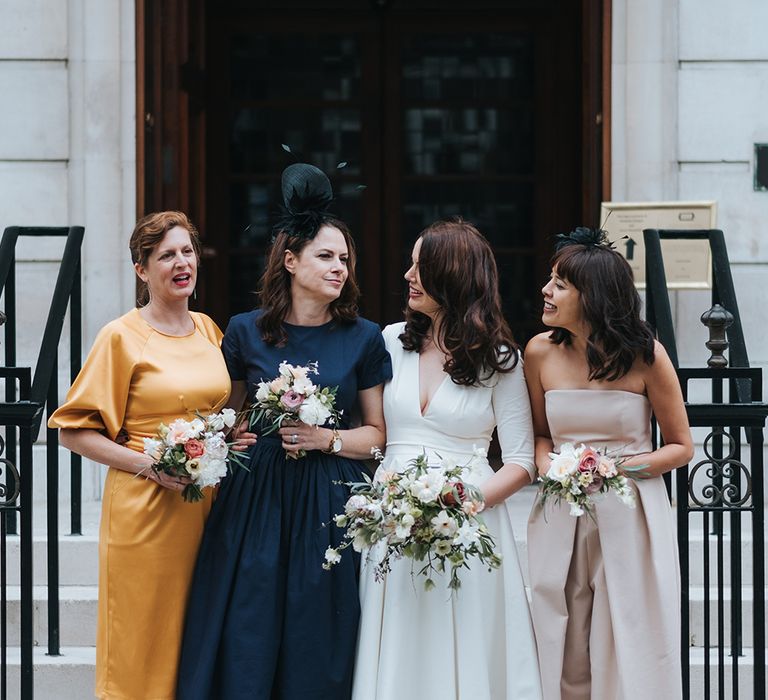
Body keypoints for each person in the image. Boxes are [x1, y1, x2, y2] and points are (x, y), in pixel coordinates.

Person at [176, 163, 392, 699]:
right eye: (326, 256)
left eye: (345, 258)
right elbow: (229, 418)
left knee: (318, 630)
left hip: (330, 497)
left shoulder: (363, 338)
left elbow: (378, 435)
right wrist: (233, 435)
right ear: (290, 262)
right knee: (250, 620)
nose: (339, 267)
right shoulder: (246, 331)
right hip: (257, 499)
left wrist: (327, 440)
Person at [353, 219, 542, 700]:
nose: (407, 275)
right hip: (392, 519)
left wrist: (465, 503)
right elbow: (373, 433)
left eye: (421, 265)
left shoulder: (499, 359)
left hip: (468, 523)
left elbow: (521, 461)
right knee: (398, 634)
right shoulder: (389, 340)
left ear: (452, 275)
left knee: (461, 637)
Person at [48, 211, 231, 699]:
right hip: (144, 515)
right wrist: (151, 465)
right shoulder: (121, 336)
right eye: (166, 255)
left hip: (206, 509)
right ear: (141, 269)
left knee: (194, 639)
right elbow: (72, 431)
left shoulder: (210, 329)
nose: (181, 263)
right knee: (140, 641)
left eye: (187, 251)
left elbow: (220, 411)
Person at [524, 227, 694, 700]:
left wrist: (617, 469)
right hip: (562, 508)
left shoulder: (645, 357)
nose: (546, 290)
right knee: (561, 625)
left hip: (631, 511)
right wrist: (553, 468)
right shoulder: (538, 352)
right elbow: (539, 435)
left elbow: (681, 446)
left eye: (559, 283)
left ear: (592, 296)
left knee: (630, 629)